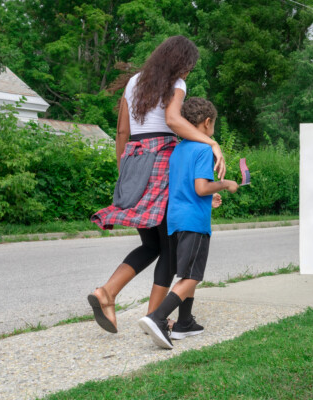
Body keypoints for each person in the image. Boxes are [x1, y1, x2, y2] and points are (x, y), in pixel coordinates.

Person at [87, 36, 226, 334]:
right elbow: (173, 120)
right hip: (161, 160)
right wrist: (212, 141)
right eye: (188, 66)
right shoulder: (176, 82)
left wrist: (124, 170)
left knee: (150, 244)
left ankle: (108, 293)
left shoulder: (135, 81)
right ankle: (155, 318)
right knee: (169, 249)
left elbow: (122, 130)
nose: (188, 72)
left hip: (133, 159)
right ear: (180, 63)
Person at [139, 97, 238, 349]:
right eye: (213, 124)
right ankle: (158, 318)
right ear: (206, 123)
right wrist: (225, 184)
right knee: (192, 277)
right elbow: (201, 186)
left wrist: (209, 196)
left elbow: (190, 188)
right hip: (194, 222)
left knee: (185, 272)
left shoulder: (180, 148)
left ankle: (185, 323)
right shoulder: (204, 149)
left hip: (175, 220)